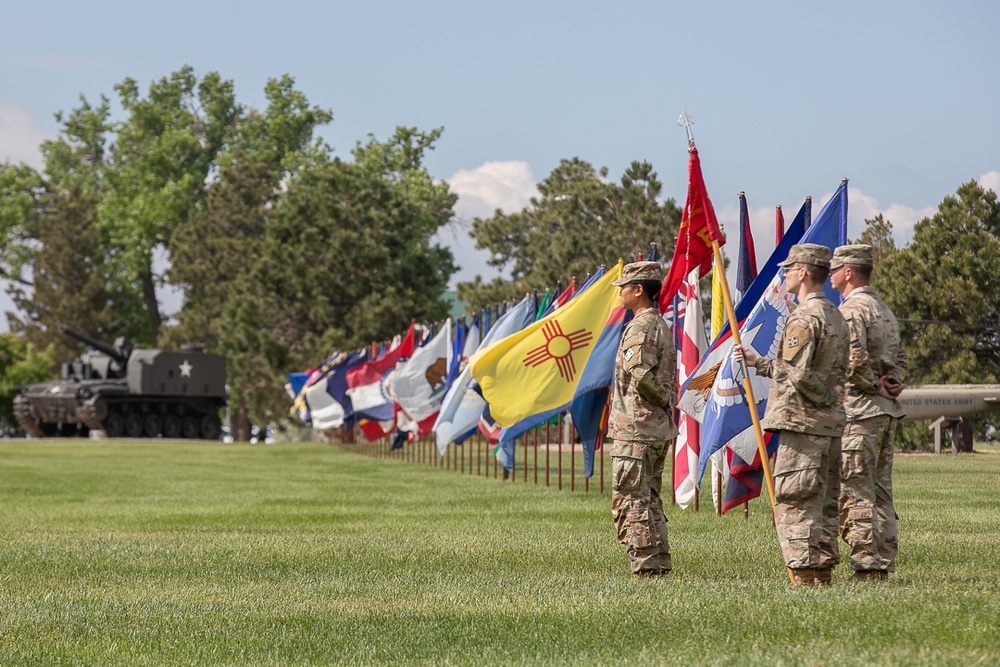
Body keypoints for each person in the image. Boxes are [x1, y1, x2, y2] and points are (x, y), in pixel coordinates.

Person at [734, 243, 849, 587]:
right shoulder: (835, 315)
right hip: (829, 426)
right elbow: (813, 369)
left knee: (796, 501)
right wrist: (762, 364)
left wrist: (822, 397)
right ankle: (822, 577)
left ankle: (803, 577)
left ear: (802, 272)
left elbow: (799, 375)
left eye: (788, 270)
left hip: (803, 423)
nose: (783, 276)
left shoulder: (804, 317)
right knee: (824, 502)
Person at [829, 244, 906, 582]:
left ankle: (867, 563)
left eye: (834, 269)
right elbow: (901, 358)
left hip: (860, 413)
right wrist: (892, 383)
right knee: (881, 491)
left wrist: (874, 385)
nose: (829, 274)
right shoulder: (884, 310)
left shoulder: (852, 310)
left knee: (856, 492)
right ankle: (883, 560)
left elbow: (853, 358)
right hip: (886, 412)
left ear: (849, 272)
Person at [608, 261, 677, 578]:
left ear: (639, 290)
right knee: (649, 499)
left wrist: (662, 398)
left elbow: (640, 374)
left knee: (631, 500)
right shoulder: (660, 324)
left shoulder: (640, 326)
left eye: (624, 286)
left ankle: (646, 567)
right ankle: (659, 562)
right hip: (654, 428)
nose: (620, 292)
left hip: (637, 428)